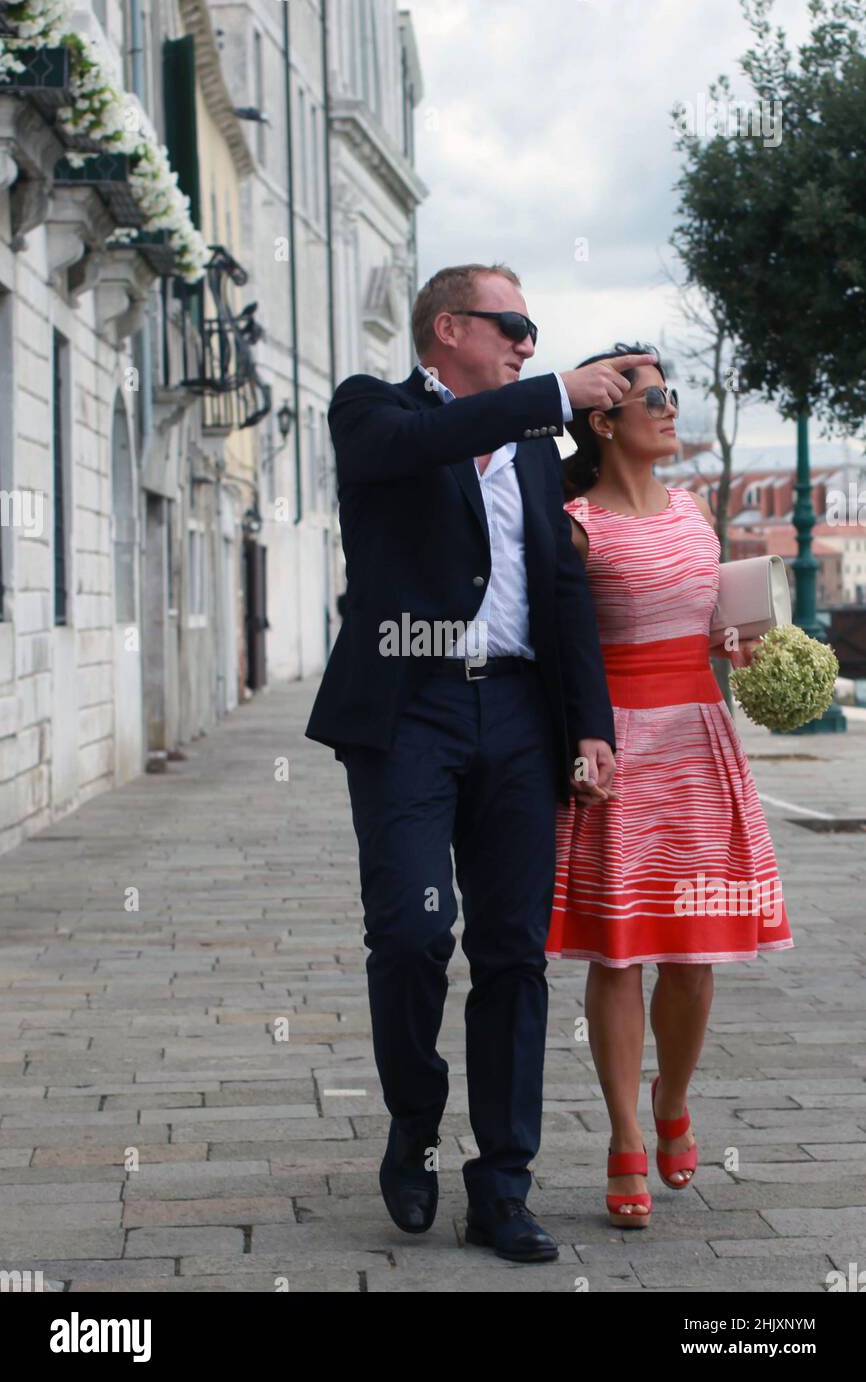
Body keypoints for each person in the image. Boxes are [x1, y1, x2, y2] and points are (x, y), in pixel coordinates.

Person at [306, 263, 654, 1261]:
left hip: (512, 711)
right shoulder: (370, 410)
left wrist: (589, 725)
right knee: (414, 935)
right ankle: (413, 1118)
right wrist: (551, 397)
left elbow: (563, 587)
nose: (527, 342)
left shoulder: (540, 456)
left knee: (512, 952)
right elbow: (423, 441)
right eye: (512, 324)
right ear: (448, 327)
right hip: (406, 705)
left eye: (535, 333)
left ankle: (502, 1184)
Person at [548, 342, 794, 1230]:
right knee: (620, 953)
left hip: (699, 744)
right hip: (616, 755)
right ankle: (622, 1137)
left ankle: (673, 1097)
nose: (672, 408)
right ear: (604, 418)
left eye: (673, 395)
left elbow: (712, 626)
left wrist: (742, 645)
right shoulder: (573, 521)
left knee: (693, 958)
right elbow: (559, 649)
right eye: (655, 396)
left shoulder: (696, 515)